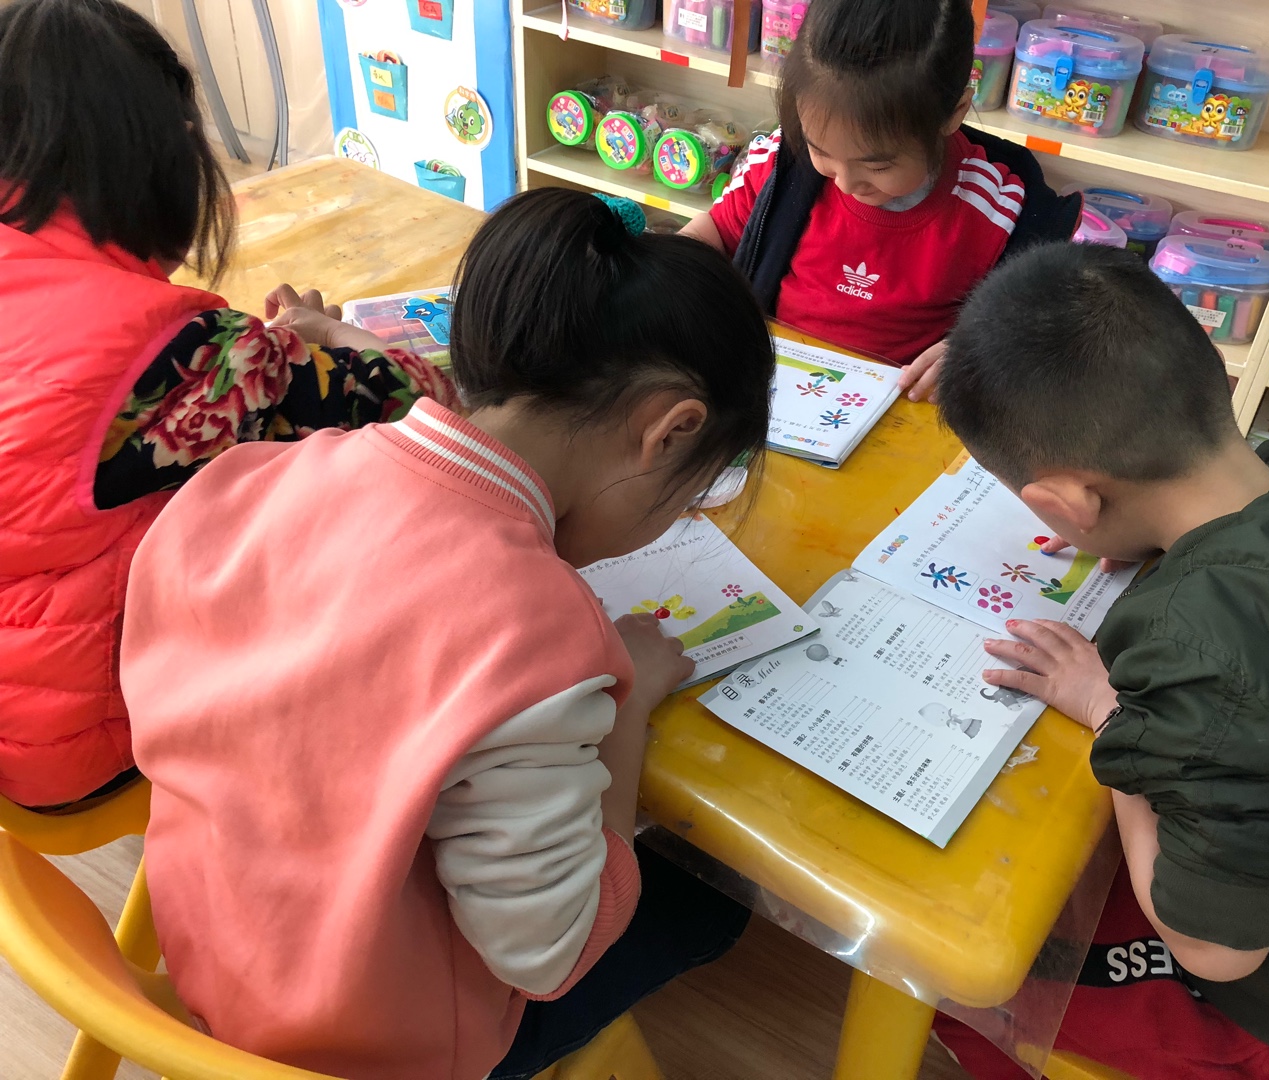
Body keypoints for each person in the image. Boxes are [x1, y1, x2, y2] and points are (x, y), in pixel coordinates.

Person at [120, 188, 770, 1079]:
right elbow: (549, 954)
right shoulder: (539, 635)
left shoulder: (252, 477)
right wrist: (629, 707)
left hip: (207, 954)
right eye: (692, 494)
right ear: (670, 431)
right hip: (369, 1050)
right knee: (712, 903)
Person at [929, 241, 1269, 1079]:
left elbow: (1216, 949)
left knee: (970, 978)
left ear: (1068, 502)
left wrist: (1111, 712)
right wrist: (1149, 535)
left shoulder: (1190, 653)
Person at [0, 0, 453, 809]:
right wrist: (329, 335)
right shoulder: (186, 353)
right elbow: (428, 412)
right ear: (165, 159)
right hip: (74, 733)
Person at [681, 0, 1079, 400]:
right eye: (821, 150)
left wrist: (976, 351)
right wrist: (669, 273)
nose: (846, 182)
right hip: (771, 389)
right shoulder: (782, 165)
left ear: (954, 113)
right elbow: (712, 232)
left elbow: (1043, 323)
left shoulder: (997, 209)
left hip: (904, 411)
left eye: (878, 166)